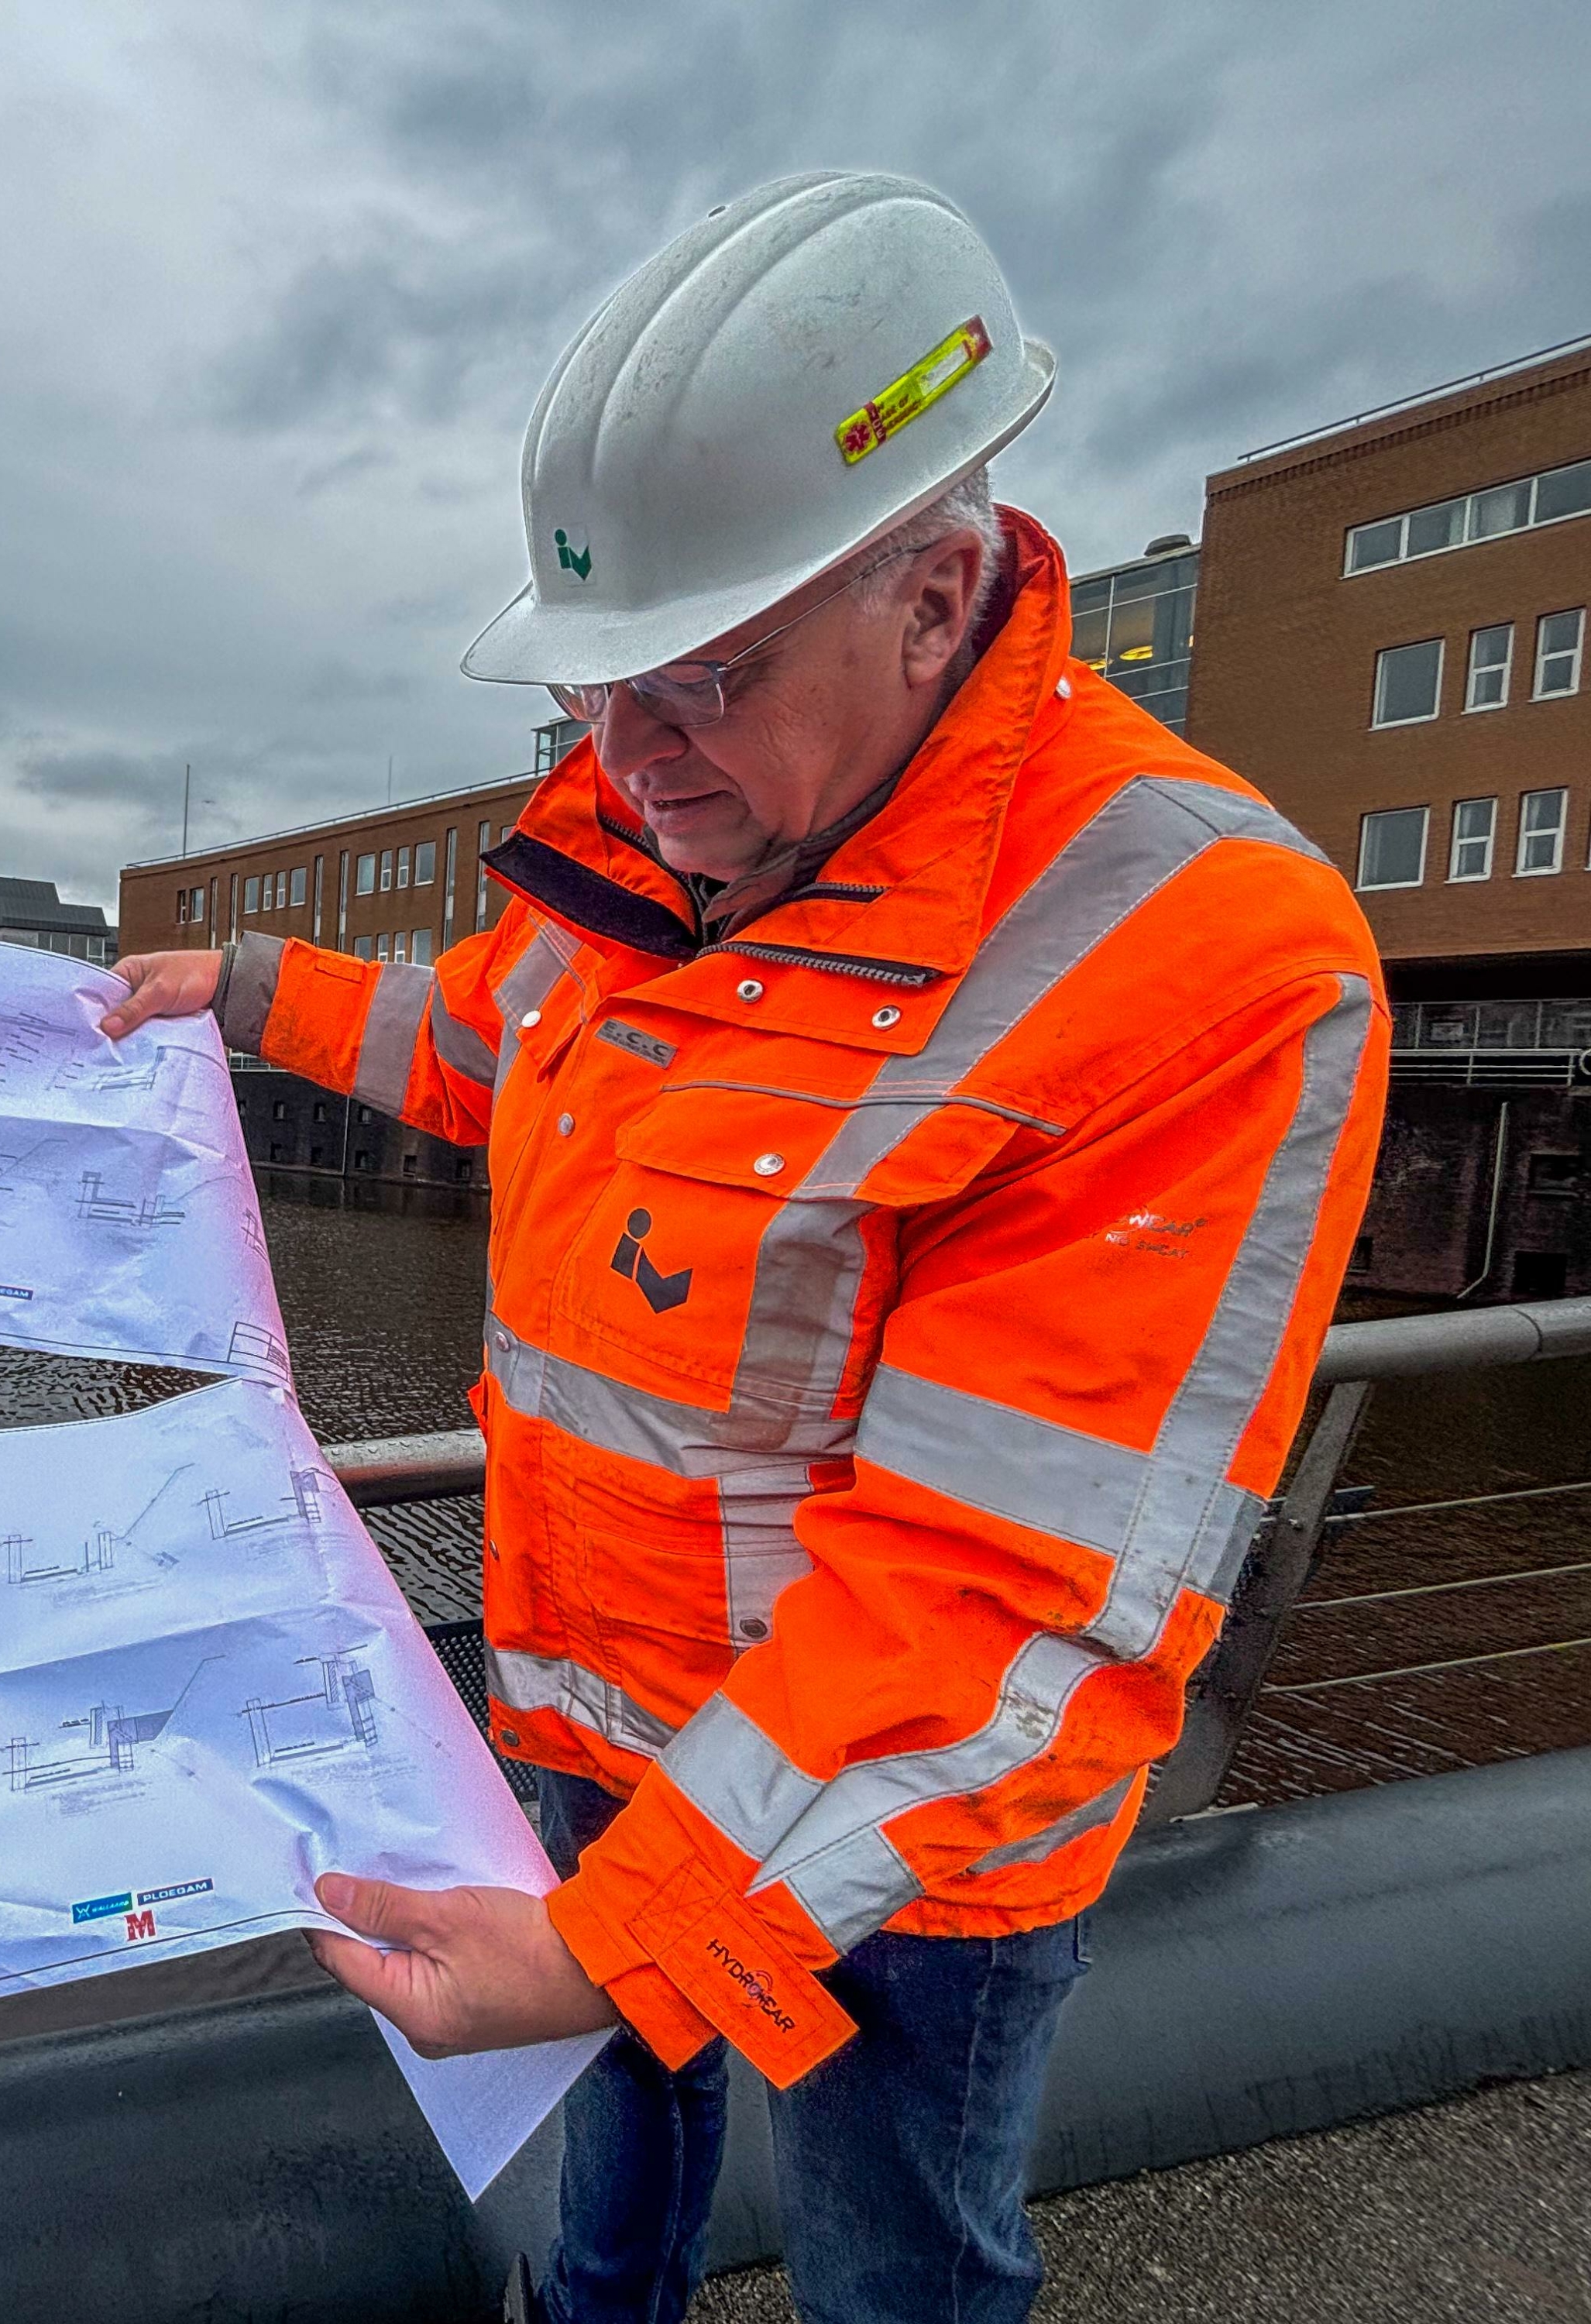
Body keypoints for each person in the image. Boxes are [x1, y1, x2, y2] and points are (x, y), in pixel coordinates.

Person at [98, 172, 1386, 2324]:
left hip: (915, 1851)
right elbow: (484, 1038)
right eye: (598, 688)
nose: (627, 757)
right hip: (598, 1730)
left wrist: (614, 1947)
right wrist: (242, 986)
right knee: (618, 2182)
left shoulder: (1195, 953)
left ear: (938, 591)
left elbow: (1006, 1593)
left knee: (903, 2256)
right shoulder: (649, 851)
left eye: (699, 676)